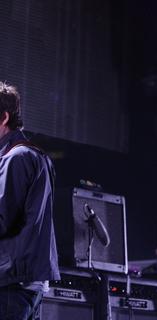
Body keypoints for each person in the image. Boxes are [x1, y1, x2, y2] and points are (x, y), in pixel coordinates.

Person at [0, 82, 60, 319]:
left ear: (4, 117)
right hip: (24, 281)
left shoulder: (17, 157)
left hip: (12, 282)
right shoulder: (34, 155)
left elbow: (3, 219)